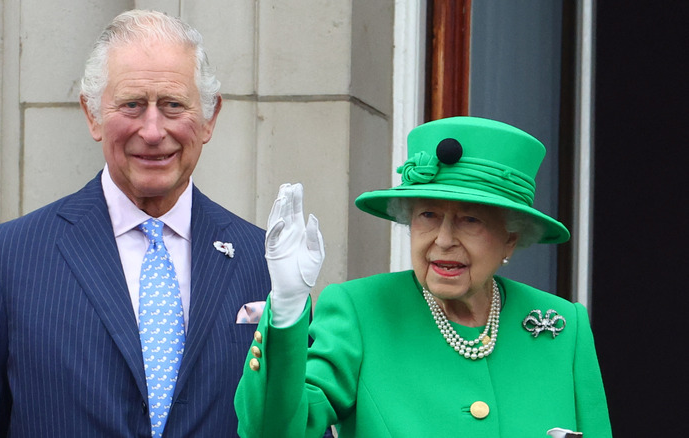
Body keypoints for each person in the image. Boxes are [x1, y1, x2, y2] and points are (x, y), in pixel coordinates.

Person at [0, 10, 271, 437]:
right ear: (92, 114)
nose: (152, 131)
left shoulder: (264, 263)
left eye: (172, 105)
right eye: (132, 105)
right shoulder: (8, 260)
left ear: (209, 118)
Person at [235, 116, 612, 437]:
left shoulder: (563, 327)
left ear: (509, 240)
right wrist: (286, 308)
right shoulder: (362, 312)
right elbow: (275, 429)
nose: (444, 240)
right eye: (428, 215)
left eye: (470, 219)